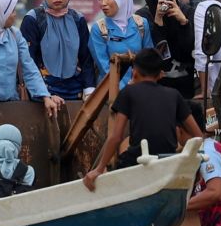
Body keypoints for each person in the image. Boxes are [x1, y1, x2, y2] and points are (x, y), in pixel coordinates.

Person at [83, 48, 204, 190]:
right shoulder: (174, 94)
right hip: (168, 161)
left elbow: (116, 137)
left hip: (137, 160)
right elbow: (198, 136)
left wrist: (99, 169)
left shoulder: (128, 92)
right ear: (160, 75)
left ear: (134, 72)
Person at [19, 0, 96, 100]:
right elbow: (28, 59)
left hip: (75, 89)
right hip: (43, 90)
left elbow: (86, 59)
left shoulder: (78, 19)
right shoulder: (33, 19)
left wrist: (89, 90)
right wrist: (42, 93)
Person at [135, 0, 195, 99]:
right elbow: (154, 56)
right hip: (155, 89)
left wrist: (183, 22)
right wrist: (158, 22)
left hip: (185, 88)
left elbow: (190, 51)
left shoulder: (187, 12)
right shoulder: (143, 17)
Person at [88, 0, 154, 91]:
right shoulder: (99, 29)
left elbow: (149, 59)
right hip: (112, 93)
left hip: (141, 90)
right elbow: (105, 68)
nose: (103, 3)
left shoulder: (141, 24)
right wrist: (126, 90)